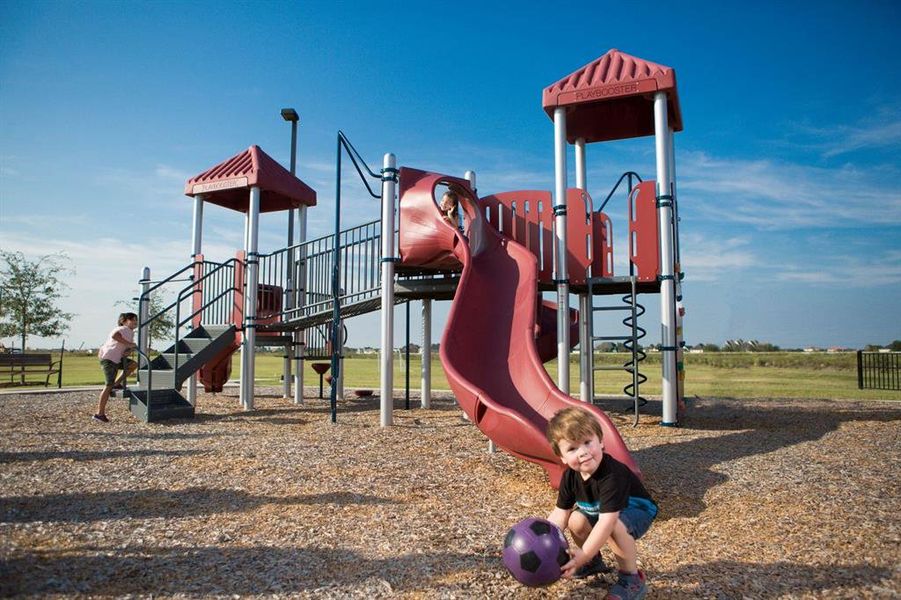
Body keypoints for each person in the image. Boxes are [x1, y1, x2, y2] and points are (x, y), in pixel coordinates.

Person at [546, 407, 657, 600]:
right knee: (576, 520)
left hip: (637, 508)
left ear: (601, 441)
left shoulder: (612, 475)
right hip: (606, 511)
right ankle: (594, 562)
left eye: (588, 442)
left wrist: (583, 554)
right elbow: (560, 514)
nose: (583, 452)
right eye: (572, 448)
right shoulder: (570, 476)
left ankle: (631, 579)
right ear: (562, 457)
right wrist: (544, 540)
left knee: (615, 526)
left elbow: (607, 522)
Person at [94, 312, 139, 423]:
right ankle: (99, 414)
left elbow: (124, 345)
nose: (135, 322)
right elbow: (115, 336)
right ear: (124, 321)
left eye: (136, 320)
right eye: (132, 319)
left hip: (117, 358)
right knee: (108, 385)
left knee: (133, 365)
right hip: (109, 358)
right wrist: (129, 344)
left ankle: (117, 383)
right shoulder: (122, 328)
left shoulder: (130, 332)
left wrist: (129, 349)